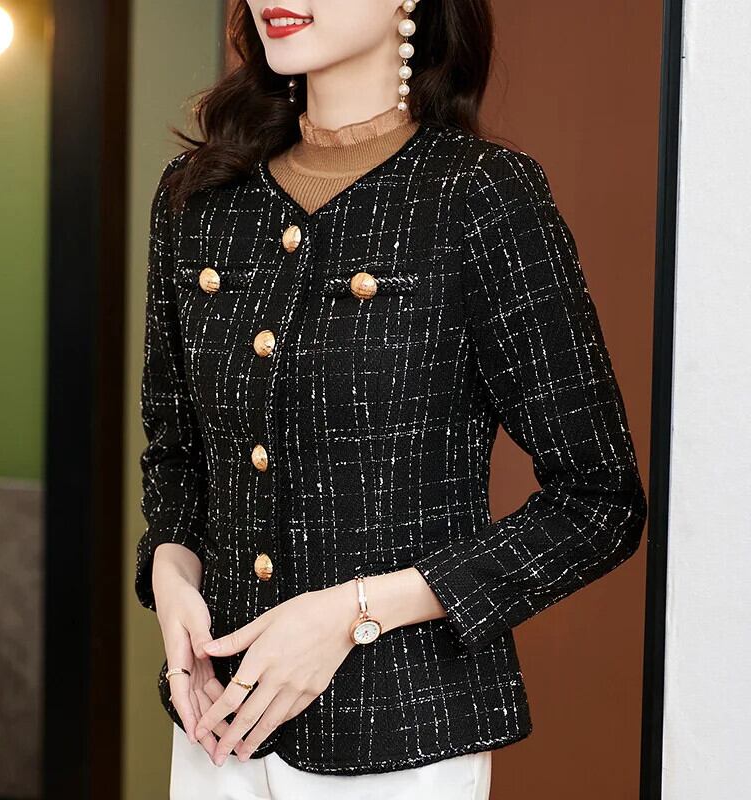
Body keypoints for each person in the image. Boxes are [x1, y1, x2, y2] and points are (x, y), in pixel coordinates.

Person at [134, 1, 648, 797]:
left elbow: (599, 502)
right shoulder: (197, 196)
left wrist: (353, 614)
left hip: (402, 741)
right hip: (214, 729)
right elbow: (176, 453)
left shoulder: (479, 195)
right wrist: (172, 575)